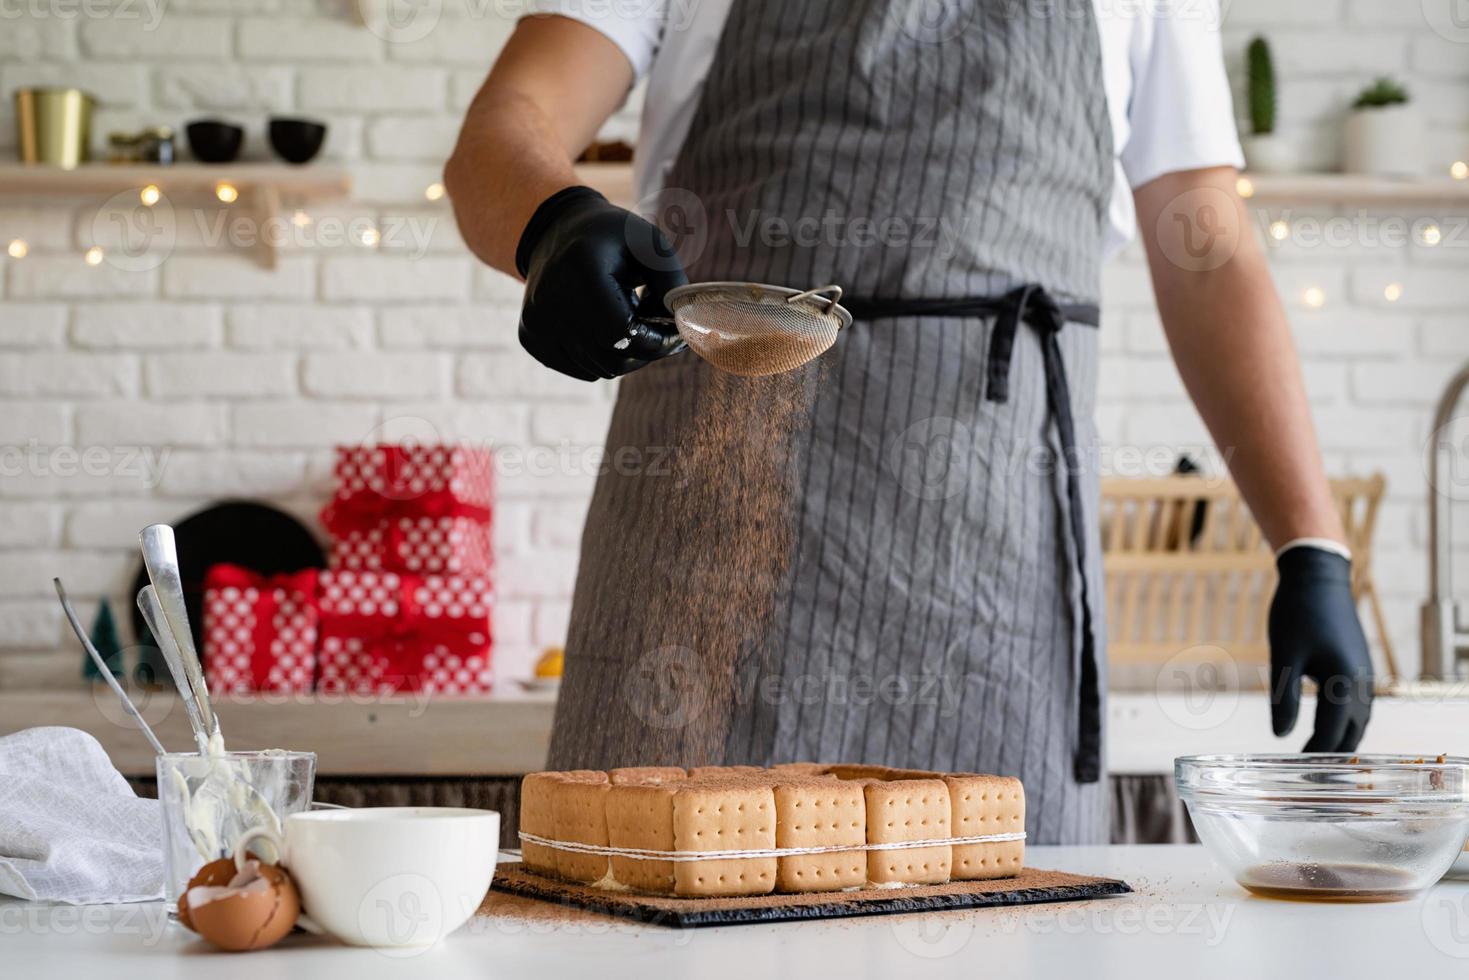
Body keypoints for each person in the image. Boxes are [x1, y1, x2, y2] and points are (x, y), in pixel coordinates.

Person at [445, 0, 1374, 844]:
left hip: (995, 580)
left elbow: (1204, 251)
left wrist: (1309, 546)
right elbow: (507, 123)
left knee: (1004, 926)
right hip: (707, 546)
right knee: (645, 903)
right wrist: (553, 223)